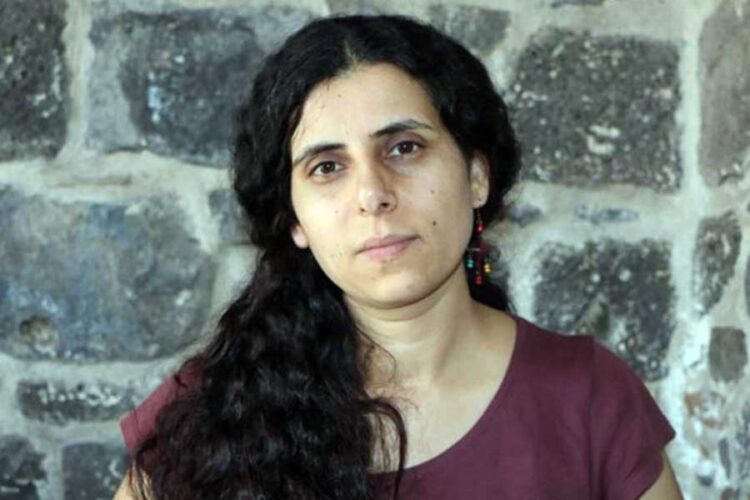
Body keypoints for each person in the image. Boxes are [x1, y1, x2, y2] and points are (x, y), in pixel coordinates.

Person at [114, 14, 682, 500]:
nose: (372, 194)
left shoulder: (589, 398)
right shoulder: (211, 411)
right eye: (327, 167)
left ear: (476, 175)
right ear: (295, 221)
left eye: (404, 148)